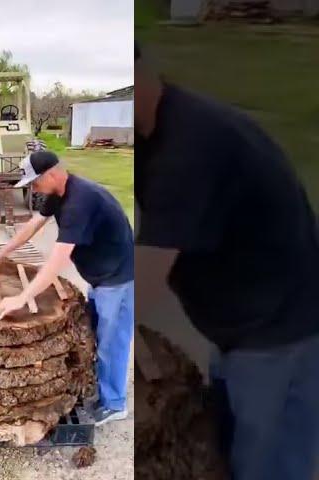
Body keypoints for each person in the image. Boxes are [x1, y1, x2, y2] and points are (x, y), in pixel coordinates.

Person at [135, 43, 319, 479]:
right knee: (227, 433)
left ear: (141, 72)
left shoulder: (189, 148)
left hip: (281, 330)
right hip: (244, 320)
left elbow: (146, 278)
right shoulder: (153, 130)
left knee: (265, 462)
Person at [0, 150, 134, 425]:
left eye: (35, 182)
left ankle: (115, 404)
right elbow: (33, 224)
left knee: (112, 343)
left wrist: (23, 297)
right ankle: (100, 386)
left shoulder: (80, 202)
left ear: (52, 174)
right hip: (101, 276)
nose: (33, 188)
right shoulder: (60, 193)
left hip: (119, 278)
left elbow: (58, 259)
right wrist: (1, 254)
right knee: (98, 333)